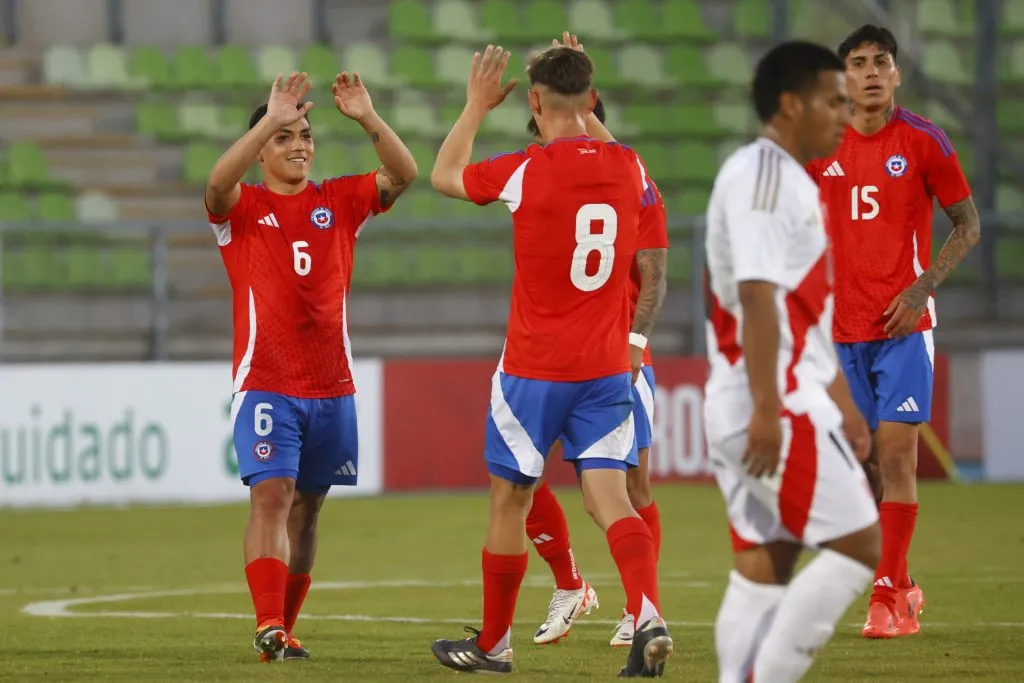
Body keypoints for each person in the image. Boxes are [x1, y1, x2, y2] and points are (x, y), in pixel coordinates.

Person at [428, 44, 671, 677]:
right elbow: (637, 181)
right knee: (612, 498)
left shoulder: (525, 170)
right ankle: (648, 615)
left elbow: (444, 174)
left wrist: (475, 105)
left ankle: (494, 643)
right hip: (605, 369)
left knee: (509, 500)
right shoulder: (628, 168)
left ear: (533, 102)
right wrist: (582, 97)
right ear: (593, 100)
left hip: (533, 371)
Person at [204, 71, 417, 662]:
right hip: (267, 382)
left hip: (332, 386)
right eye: (283, 137)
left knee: (310, 506)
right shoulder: (244, 208)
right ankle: (268, 622)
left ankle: (283, 630)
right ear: (262, 148)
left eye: (304, 134)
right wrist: (268, 118)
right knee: (271, 496)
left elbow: (404, 175)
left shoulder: (340, 200)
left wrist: (369, 119)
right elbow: (216, 182)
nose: (299, 144)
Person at [704, 41, 881, 682]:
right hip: (768, 399)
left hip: (770, 393)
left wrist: (843, 402)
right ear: (790, 103)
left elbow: (798, 315)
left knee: (765, 564)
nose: (847, 110)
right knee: (862, 545)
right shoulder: (766, 175)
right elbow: (755, 296)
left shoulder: (785, 178)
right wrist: (767, 410)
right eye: (834, 99)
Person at [807, 25, 980, 639]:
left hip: (905, 327)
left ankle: (885, 601)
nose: (872, 71)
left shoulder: (925, 140)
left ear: (896, 74)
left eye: (882, 62)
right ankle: (903, 584)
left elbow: (967, 224)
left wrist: (923, 285)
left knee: (898, 455)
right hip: (841, 332)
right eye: (859, 63)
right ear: (843, 78)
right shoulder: (820, 144)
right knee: (869, 467)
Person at [524, 32, 669, 650]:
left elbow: (657, 275)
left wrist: (636, 343)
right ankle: (572, 585)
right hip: (550, 357)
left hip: (615, 359)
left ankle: (644, 608)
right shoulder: (547, 179)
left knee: (627, 489)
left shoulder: (631, 181)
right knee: (517, 481)